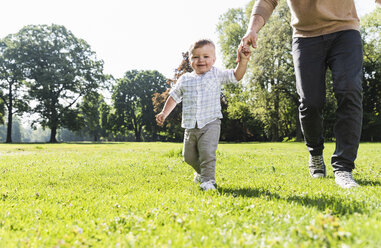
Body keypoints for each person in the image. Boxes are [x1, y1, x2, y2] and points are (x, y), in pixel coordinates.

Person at [241, 0, 381, 188]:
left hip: (345, 30)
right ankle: (315, 154)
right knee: (310, 102)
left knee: (349, 91)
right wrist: (253, 29)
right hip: (305, 36)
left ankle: (343, 168)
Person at [156, 39, 251, 191]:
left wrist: (243, 61)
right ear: (189, 59)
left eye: (206, 57)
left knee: (207, 152)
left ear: (213, 59)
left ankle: (208, 181)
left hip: (211, 122)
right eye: (196, 57)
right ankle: (201, 173)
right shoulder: (185, 79)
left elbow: (236, 75)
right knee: (188, 157)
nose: (201, 60)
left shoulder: (216, 74)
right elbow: (174, 97)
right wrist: (164, 113)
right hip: (190, 125)